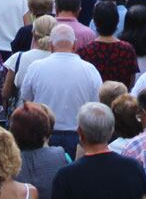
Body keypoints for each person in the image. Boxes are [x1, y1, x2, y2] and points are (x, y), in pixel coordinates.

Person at [21, 27, 102, 156]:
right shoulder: (90, 70)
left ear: (51, 45)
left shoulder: (35, 67)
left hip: (44, 135)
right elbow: (97, 104)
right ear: (74, 45)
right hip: (78, 136)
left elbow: (26, 99)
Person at [81, 0, 140, 88]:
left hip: (95, 100)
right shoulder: (127, 50)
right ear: (116, 21)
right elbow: (131, 82)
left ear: (95, 22)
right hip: (120, 98)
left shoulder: (85, 51)